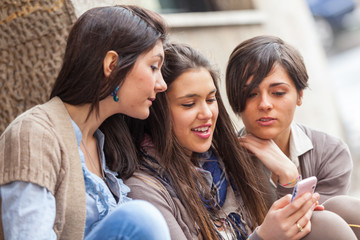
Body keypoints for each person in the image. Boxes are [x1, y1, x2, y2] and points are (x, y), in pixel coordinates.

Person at [124, 43, 333, 240]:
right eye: (189, 104)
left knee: (338, 212)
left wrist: (288, 178)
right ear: (156, 110)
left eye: (210, 99)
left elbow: (282, 226)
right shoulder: (144, 189)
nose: (207, 113)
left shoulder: (225, 158)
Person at [0, 5, 171, 240]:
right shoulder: (33, 134)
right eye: (153, 67)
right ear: (112, 65)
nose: (162, 84)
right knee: (139, 219)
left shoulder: (106, 141)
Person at [225, 35, 360, 238]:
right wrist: (288, 181)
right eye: (251, 94)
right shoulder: (222, 163)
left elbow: (314, 228)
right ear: (236, 100)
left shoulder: (330, 152)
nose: (264, 104)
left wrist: (288, 173)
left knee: (345, 208)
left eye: (278, 93)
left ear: (300, 95)